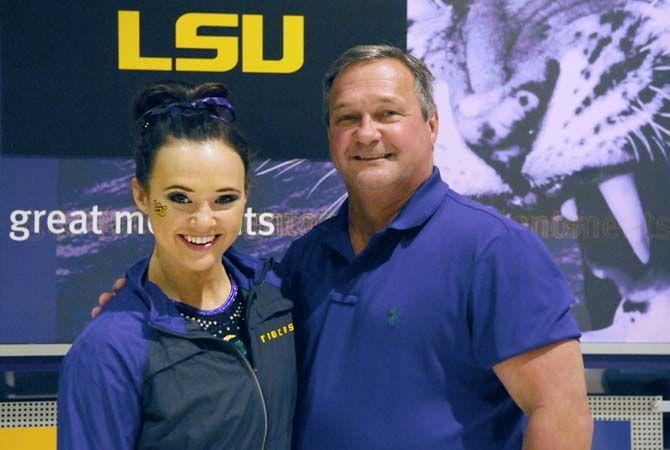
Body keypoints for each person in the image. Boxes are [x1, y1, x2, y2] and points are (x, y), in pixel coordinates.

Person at [96, 46, 593, 449]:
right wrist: (140, 298)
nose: (367, 133)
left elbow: (561, 415)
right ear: (331, 135)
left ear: (433, 124)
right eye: (347, 117)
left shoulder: (497, 250)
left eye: (388, 113)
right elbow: (210, 294)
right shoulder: (304, 258)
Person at [59, 82, 296, 450]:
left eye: (224, 199)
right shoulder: (109, 348)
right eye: (179, 198)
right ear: (142, 195)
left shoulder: (280, 294)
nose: (203, 221)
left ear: (246, 196)